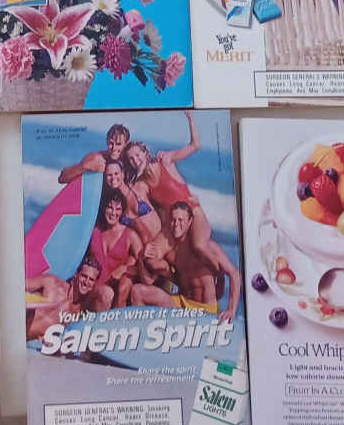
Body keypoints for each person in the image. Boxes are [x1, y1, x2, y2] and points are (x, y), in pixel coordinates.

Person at [122, 111, 217, 273]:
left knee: (199, 246)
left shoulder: (165, 160)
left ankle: (218, 274)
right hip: (173, 225)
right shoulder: (142, 183)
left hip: (193, 212)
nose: (135, 160)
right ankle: (171, 281)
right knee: (151, 258)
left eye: (137, 155)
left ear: (145, 152)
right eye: (131, 159)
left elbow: (195, 145)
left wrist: (190, 119)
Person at [131, 201, 241, 324]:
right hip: (181, 304)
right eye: (173, 220)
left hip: (205, 309)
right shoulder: (170, 253)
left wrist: (231, 310)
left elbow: (234, 274)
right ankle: (142, 329)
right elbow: (149, 280)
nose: (176, 224)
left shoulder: (207, 247)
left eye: (180, 220)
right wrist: (143, 255)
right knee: (137, 291)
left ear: (189, 222)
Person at [85, 189, 143, 310]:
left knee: (113, 290)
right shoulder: (94, 231)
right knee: (105, 293)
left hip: (114, 292)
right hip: (92, 289)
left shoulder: (130, 235)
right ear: (104, 208)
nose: (113, 213)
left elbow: (144, 267)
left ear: (122, 212)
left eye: (118, 209)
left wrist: (125, 268)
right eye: (110, 207)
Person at [25, 256, 102, 341]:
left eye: (91, 279)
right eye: (84, 276)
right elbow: (22, 286)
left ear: (94, 284)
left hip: (27, 342)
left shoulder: (80, 314)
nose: (86, 282)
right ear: (76, 275)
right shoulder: (51, 282)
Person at [103, 159, 160, 245]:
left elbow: (161, 195)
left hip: (162, 239)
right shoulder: (113, 205)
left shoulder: (140, 187)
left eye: (116, 173)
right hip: (146, 248)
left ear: (122, 174)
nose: (113, 178)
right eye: (109, 175)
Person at [58, 123, 130, 184]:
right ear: (107, 141)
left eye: (118, 144)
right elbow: (62, 178)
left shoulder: (130, 162)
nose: (114, 148)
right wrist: (83, 166)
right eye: (111, 143)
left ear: (126, 144)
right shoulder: (98, 158)